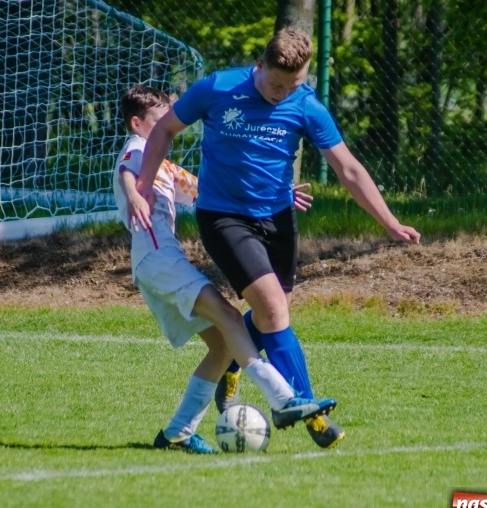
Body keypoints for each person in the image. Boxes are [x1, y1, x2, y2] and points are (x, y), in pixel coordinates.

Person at [132, 28, 421, 449]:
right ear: (259, 66)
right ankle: (307, 413)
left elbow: (349, 169)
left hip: (278, 220)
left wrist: (389, 221)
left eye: (295, 85)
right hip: (224, 217)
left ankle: (233, 357)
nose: (283, 93)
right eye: (276, 84)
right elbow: (163, 131)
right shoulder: (217, 88)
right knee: (271, 305)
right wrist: (142, 183)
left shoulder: (307, 106)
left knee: (274, 311)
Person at [113, 85, 337, 454]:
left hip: (155, 265)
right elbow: (127, 169)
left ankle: (177, 433)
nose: (169, 124)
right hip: (159, 260)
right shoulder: (138, 148)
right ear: (137, 123)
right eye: (159, 120)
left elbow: (209, 190)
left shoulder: (165, 166)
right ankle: (283, 399)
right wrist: (135, 193)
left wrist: (278, 195)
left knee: (220, 347)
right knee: (232, 319)